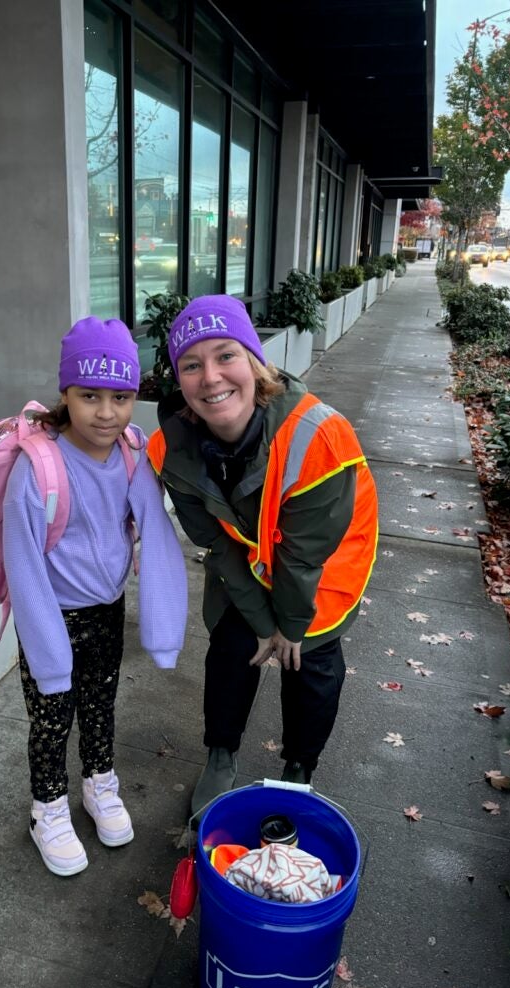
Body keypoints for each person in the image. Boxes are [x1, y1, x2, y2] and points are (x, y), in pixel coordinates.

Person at [147, 295, 378, 818]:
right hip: (249, 558)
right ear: (179, 381)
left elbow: (302, 559)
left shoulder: (318, 435)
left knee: (311, 659)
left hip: (324, 562)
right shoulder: (171, 450)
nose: (210, 377)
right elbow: (218, 544)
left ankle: (299, 769)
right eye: (191, 364)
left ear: (256, 363)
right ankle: (220, 753)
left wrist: (289, 628)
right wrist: (257, 620)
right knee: (233, 644)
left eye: (226, 355)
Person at [3, 317, 187, 876]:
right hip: (50, 617)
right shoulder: (37, 467)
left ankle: (98, 784)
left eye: (122, 397)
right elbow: (24, 567)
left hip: (106, 611)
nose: (106, 412)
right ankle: (48, 808)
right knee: (52, 717)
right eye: (89, 396)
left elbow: (157, 536)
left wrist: (161, 632)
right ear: (65, 394)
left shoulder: (131, 455)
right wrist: (50, 658)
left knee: (100, 706)